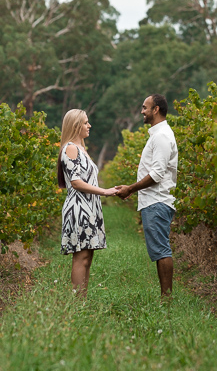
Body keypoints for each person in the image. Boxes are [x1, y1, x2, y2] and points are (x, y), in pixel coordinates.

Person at [116, 94, 178, 299]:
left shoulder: (161, 136)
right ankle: (165, 297)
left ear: (156, 109)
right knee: (160, 249)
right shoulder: (158, 135)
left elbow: (157, 174)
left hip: (157, 200)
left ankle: (166, 298)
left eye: (145, 107)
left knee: (162, 250)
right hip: (155, 201)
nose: (142, 111)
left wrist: (130, 189)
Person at [58, 108, 118, 296]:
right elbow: (75, 182)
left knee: (87, 258)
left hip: (88, 207)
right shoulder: (71, 148)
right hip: (79, 208)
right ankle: (77, 304)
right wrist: (104, 192)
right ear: (76, 126)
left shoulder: (81, 149)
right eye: (85, 122)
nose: (89, 125)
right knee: (81, 257)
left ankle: (81, 301)